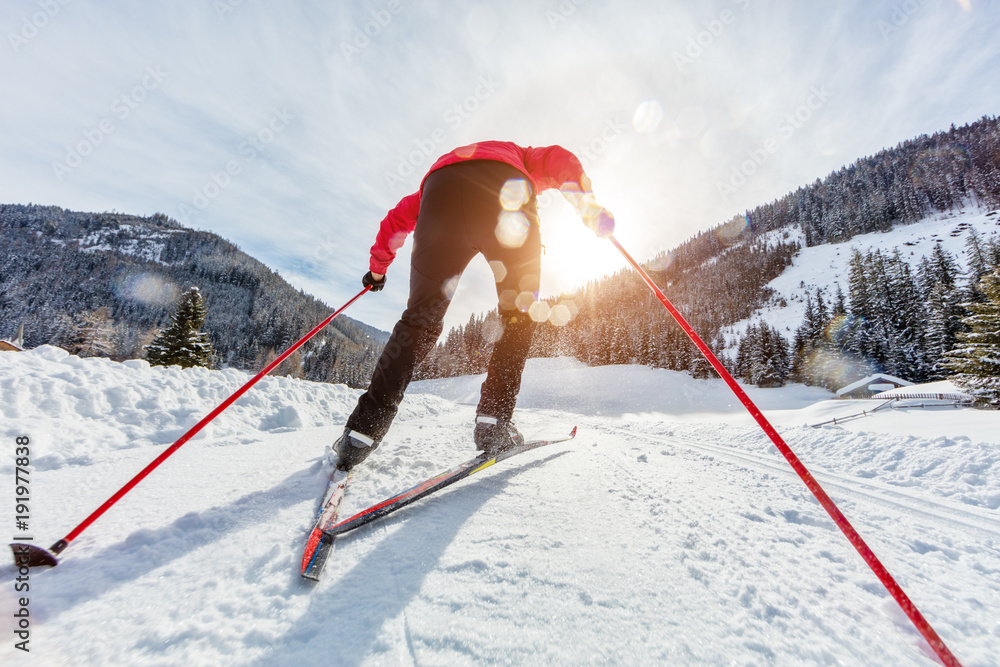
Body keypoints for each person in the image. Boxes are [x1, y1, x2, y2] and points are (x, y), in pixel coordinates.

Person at [333, 140, 614, 471]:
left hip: (439, 195)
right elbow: (559, 159)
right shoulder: (521, 157)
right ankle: (494, 421)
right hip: (507, 192)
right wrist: (589, 208)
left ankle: (362, 432)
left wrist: (377, 270)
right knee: (519, 315)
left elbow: (396, 220)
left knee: (419, 321)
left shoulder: (441, 172)